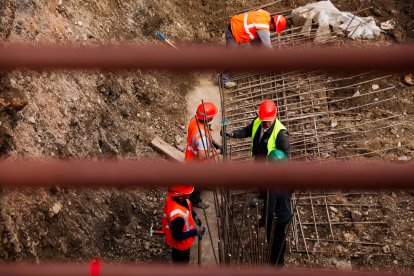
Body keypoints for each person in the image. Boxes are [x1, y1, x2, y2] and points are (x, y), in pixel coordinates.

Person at [222, 100, 290, 203]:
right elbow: (247, 131)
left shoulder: (281, 133)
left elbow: (286, 155)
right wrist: (232, 133)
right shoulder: (258, 121)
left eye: (267, 121)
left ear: (274, 117)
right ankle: (262, 192)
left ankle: (265, 197)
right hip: (259, 157)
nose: (265, 123)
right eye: (263, 119)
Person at [222, 10, 287, 88]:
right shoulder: (263, 27)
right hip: (233, 32)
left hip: (240, 26)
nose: (273, 31)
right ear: (273, 24)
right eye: (274, 29)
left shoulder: (266, 15)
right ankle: (224, 81)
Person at [185, 102, 222, 208]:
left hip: (191, 156)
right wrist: (218, 151)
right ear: (208, 118)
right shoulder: (202, 136)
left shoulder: (194, 119)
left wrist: (213, 142)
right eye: (213, 116)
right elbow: (202, 156)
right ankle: (195, 200)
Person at [259, 149, 292, 267]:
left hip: (277, 218)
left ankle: (277, 262)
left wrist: (263, 221)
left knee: (274, 239)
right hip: (286, 212)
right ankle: (280, 257)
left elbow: (270, 209)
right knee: (281, 236)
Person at [162, 185, 205, 264]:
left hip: (183, 245)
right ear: (180, 197)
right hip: (180, 248)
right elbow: (177, 236)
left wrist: (194, 215)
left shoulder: (176, 199)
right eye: (188, 193)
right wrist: (195, 231)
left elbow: (187, 206)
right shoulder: (178, 217)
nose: (190, 194)